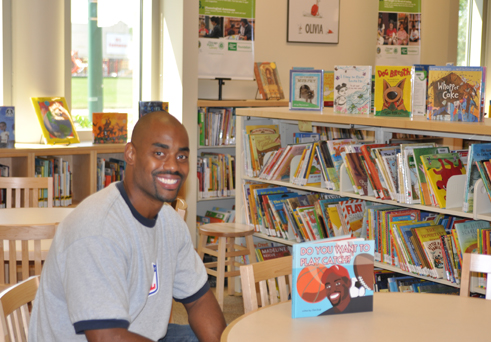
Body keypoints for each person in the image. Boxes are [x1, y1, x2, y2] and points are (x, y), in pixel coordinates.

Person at [29, 111, 227, 341]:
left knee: (222, 335)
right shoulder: (97, 231)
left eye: (181, 157)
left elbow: (199, 300)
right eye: (159, 153)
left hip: (138, 333)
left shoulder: (170, 222)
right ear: (131, 154)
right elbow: (107, 337)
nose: (173, 166)